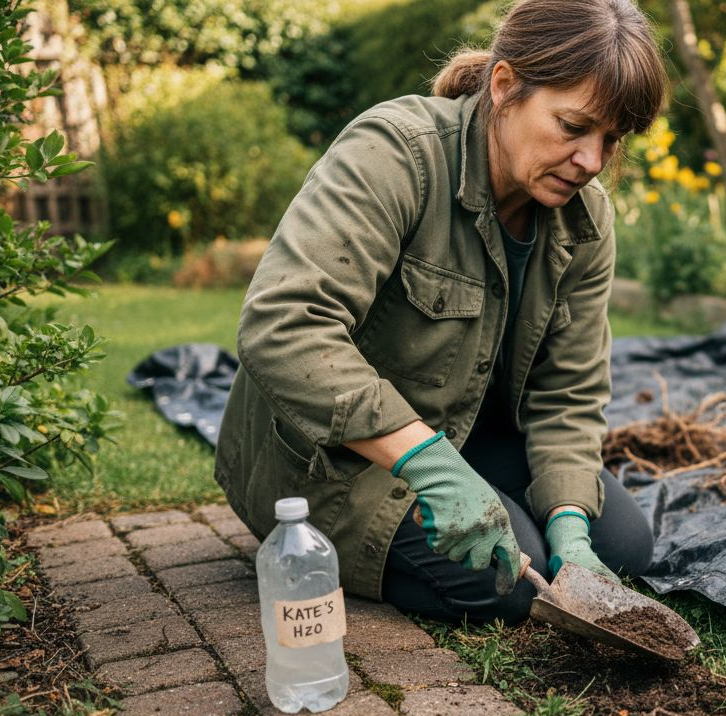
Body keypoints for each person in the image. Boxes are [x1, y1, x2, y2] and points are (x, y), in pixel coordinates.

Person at [215, 0, 669, 624]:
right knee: (504, 582)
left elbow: (568, 391)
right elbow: (283, 326)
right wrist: (430, 467)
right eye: (573, 127)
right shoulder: (396, 155)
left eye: (610, 138)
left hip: (465, 430)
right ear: (506, 87)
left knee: (620, 548)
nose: (592, 161)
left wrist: (570, 529)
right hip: (330, 455)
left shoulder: (583, 221)